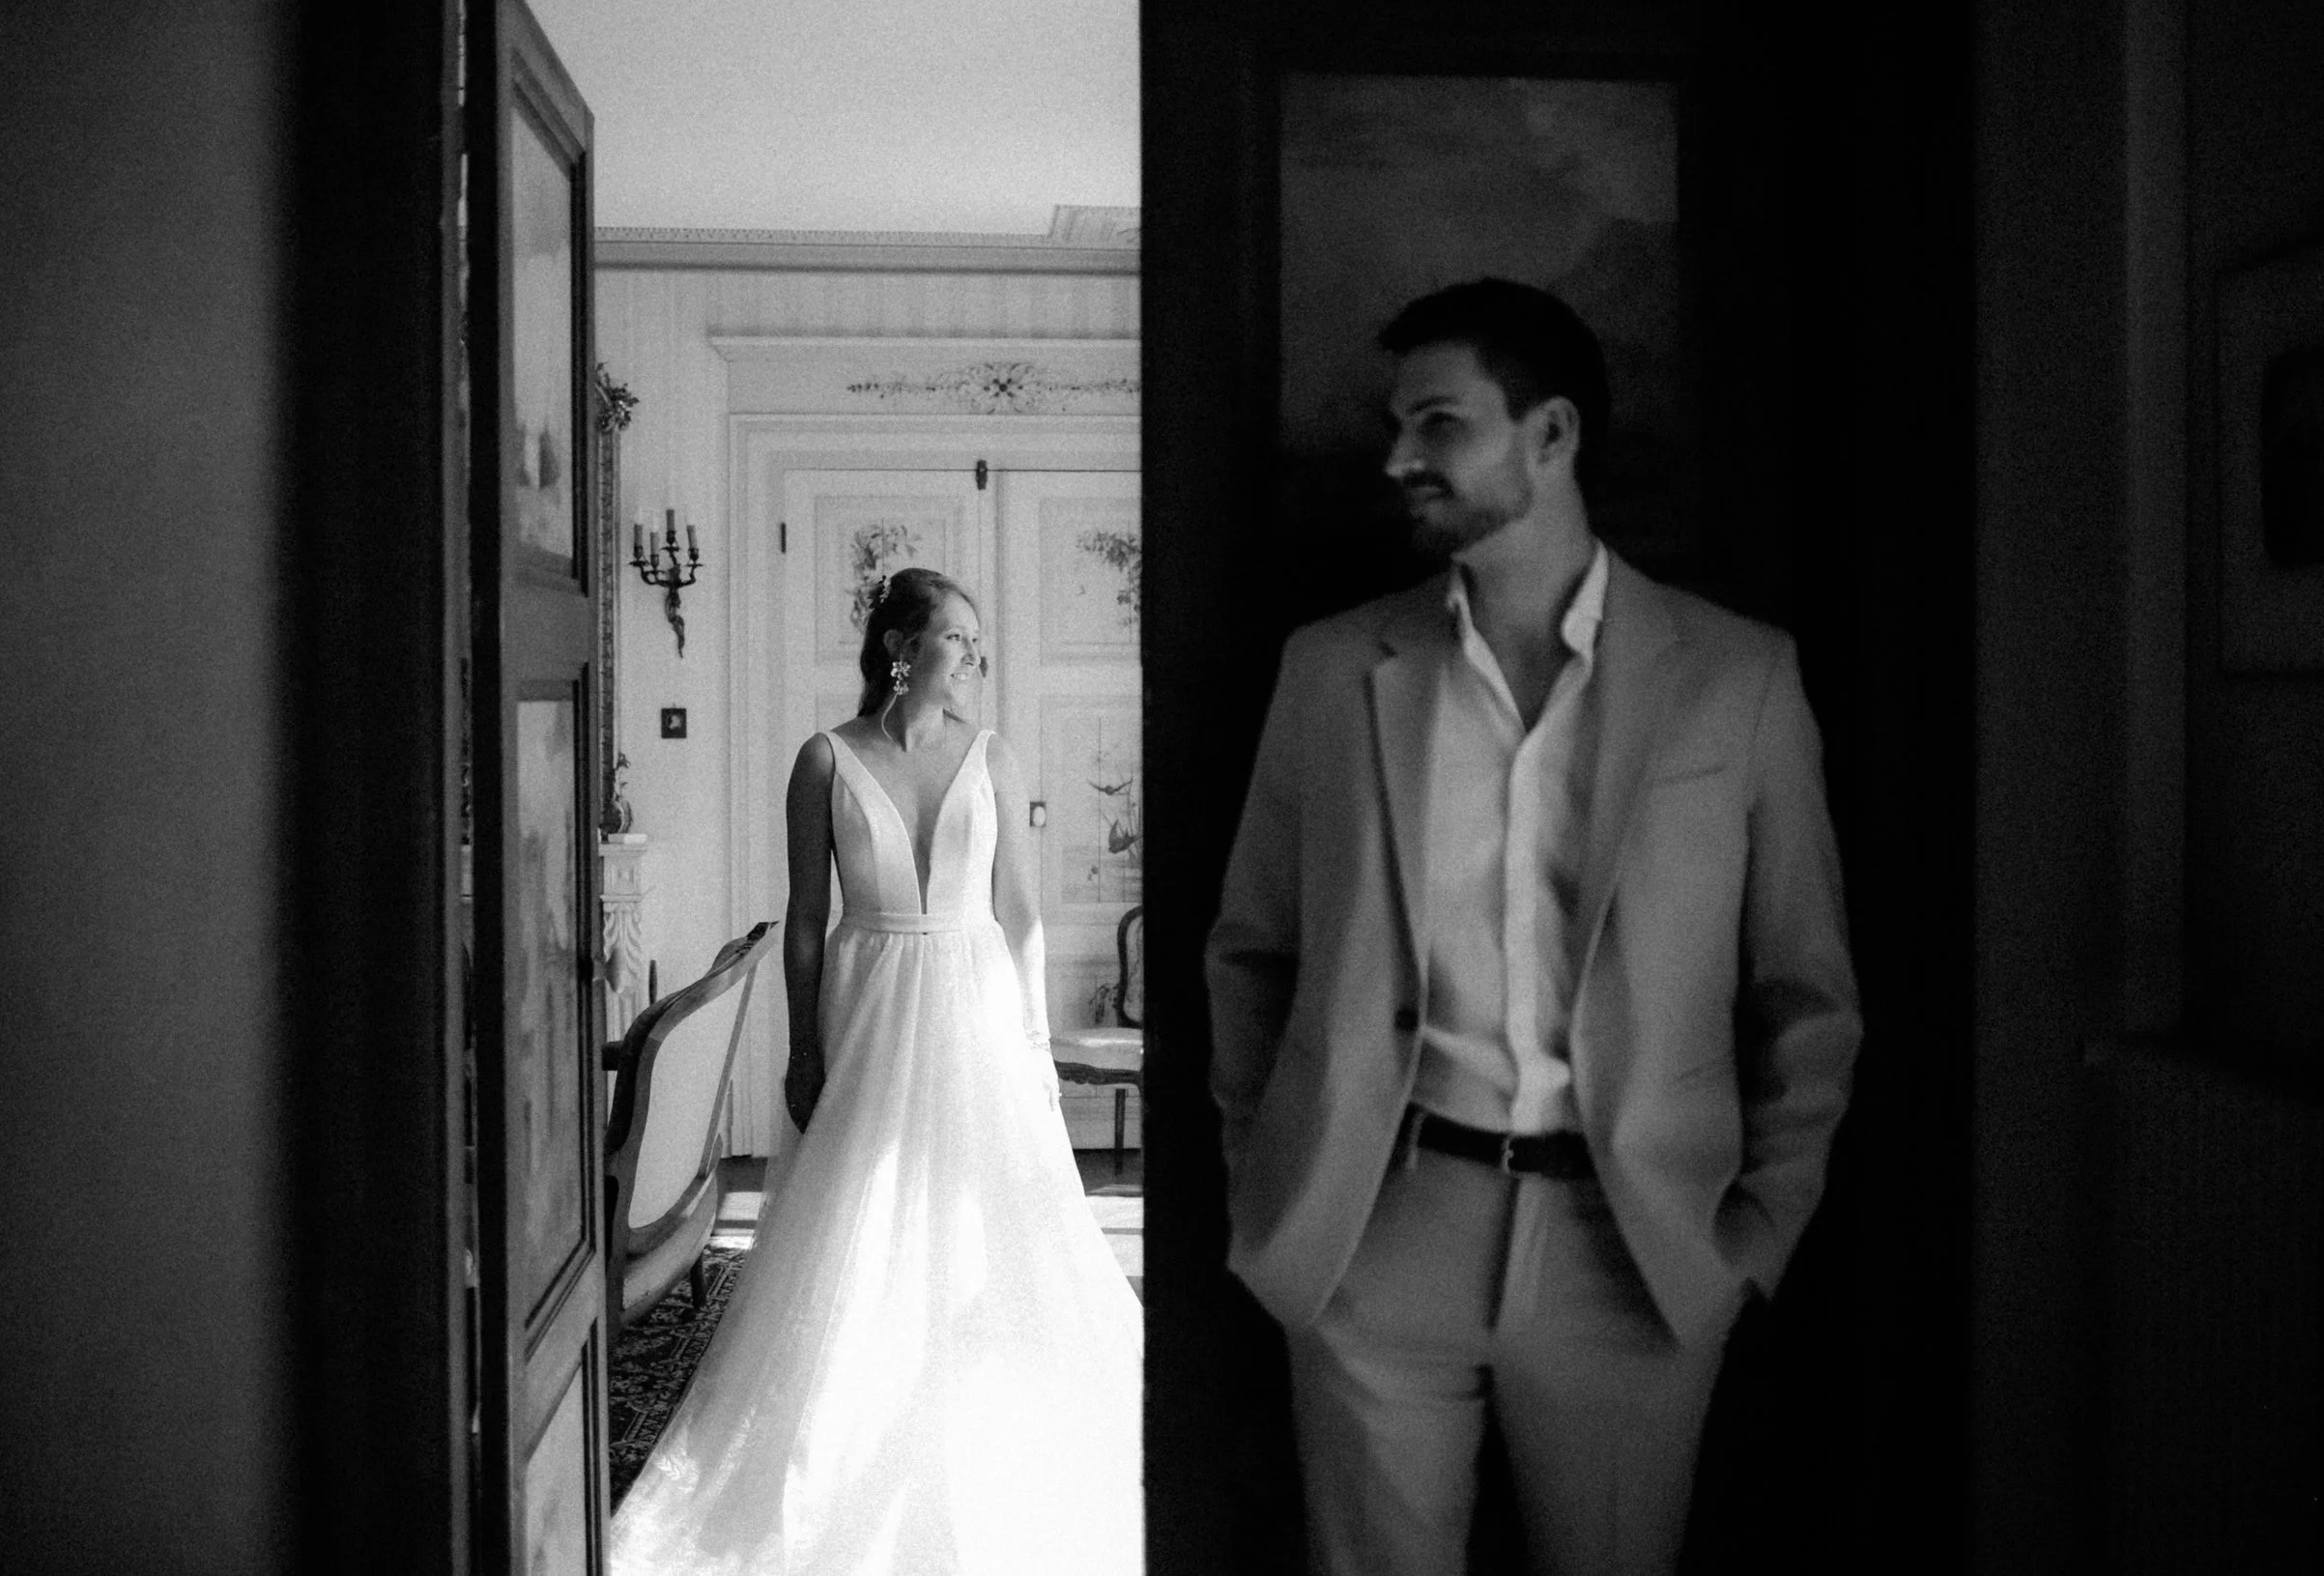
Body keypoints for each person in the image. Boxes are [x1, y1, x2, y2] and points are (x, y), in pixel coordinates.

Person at [1205, 278, 1861, 1576]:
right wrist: (1270, 1173)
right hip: (1372, 1225)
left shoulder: (1739, 676)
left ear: (1551, 435)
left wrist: (1753, 1238)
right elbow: (1254, 949)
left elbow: (1807, 990)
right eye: (1398, 425)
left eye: (1438, 423)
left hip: (1639, 1246)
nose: (1397, 457)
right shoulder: (1333, 669)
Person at [611, 566, 1142, 1575]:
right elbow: (805, 921)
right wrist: (804, 1044)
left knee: (985, 1219)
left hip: (977, 1006)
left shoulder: (994, 755)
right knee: (858, 1217)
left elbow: (1021, 912)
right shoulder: (823, 760)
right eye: (959, 638)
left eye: (979, 643)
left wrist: (1033, 1040)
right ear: (902, 645)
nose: (976, 658)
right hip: (870, 999)